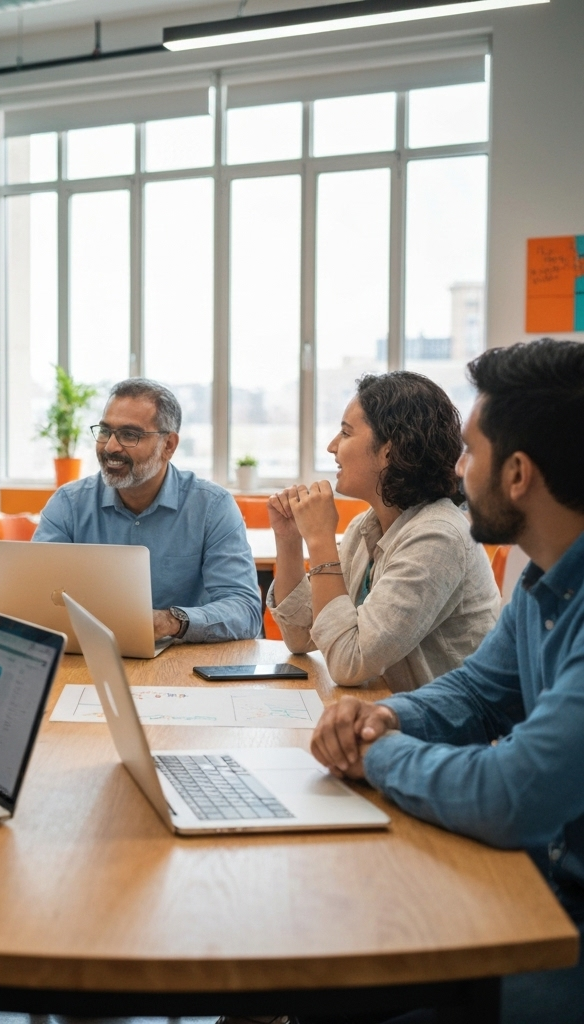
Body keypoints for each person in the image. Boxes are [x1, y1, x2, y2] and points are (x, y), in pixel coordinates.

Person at [311, 340, 584, 1023]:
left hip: (563, 921)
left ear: (517, 473)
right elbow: (476, 694)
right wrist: (387, 718)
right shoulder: (545, 580)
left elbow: (511, 793)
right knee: (329, 977)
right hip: (537, 879)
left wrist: (376, 754)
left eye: (470, 451)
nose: (457, 471)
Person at [267, 371, 499, 691]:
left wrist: (320, 540)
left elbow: (349, 663)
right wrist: (290, 539)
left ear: (389, 450)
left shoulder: (438, 537)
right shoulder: (365, 527)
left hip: (444, 734)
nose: (332, 446)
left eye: (346, 434)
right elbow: (301, 636)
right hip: (389, 715)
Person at [33, 378, 262, 643]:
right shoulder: (68, 505)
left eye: (130, 435)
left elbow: (245, 611)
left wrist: (170, 621)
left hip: (187, 665)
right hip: (93, 658)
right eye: (106, 431)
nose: (110, 447)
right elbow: (38, 600)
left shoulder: (212, 506)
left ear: (169, 446)